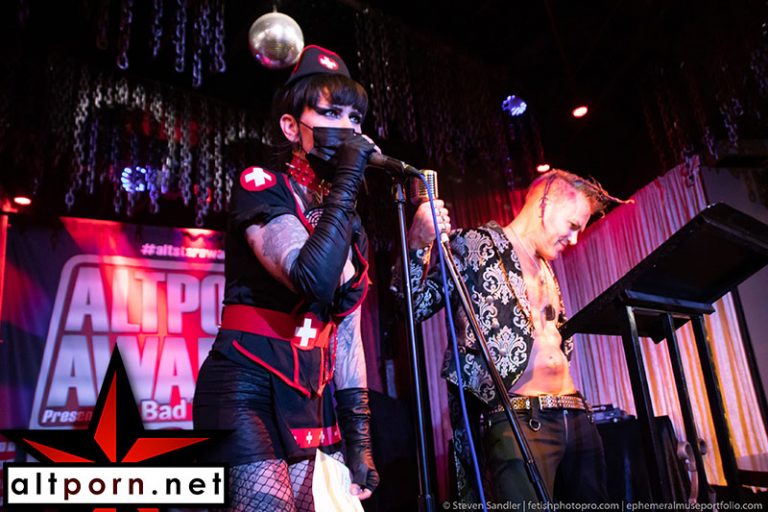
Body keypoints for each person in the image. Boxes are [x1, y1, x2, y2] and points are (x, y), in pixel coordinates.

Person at [193, 45, 379, 511]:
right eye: (331, 113)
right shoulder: (262, 185)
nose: (348, 129)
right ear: (291, 127)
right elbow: (309, 276)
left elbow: (348, 335)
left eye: (355, 118)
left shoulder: (349, 220)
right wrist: (347, 183)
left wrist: (360, 441)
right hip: (246, 385)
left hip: (310, 397)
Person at [399, 169, 626, 504]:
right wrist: (417, 244)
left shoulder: (545, 266)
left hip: (576, 413)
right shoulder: (473, 246)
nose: (575, 239)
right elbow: (411, 307)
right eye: (572, 225)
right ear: (546, 202)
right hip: (519, 418)